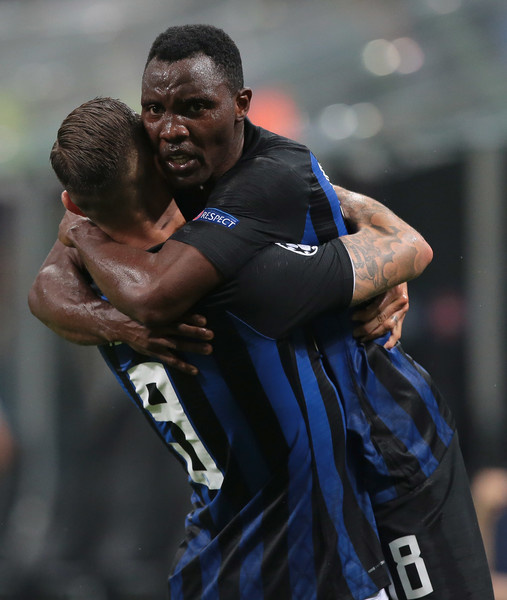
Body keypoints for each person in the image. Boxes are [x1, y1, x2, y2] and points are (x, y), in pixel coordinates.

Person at [29, 24, 493, 600]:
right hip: (307, 495)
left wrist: (86, 246)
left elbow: (411, 248)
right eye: (154, 110)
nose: (171, 130)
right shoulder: (172, 183)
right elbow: (47, 289)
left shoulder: (256, 207)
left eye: (196, 107)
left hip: (390, 445)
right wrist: (113, 316)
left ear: (239, 107)